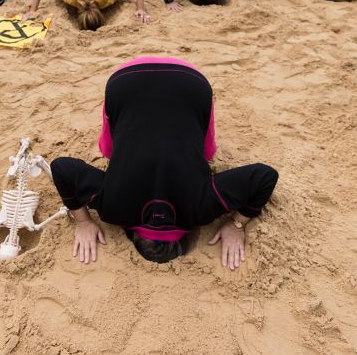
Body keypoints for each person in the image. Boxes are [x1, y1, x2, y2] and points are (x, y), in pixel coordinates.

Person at [51, 57, 278, 266]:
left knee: (205, 154)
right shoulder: (114, 209)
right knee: (110, 151)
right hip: (124, 80)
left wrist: (237, 224)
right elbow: (61, 168)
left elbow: (265, 176)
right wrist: (83, 221)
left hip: (192, 82)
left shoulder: (200, 209)